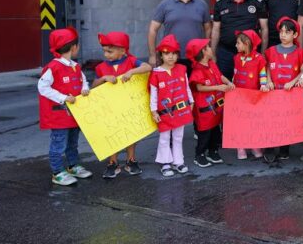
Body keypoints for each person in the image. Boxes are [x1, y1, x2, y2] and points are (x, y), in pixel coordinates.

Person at [38, 27, 93, 186]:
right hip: (60, 116)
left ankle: (72, 166)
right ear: (73, 47)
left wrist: (85, 89)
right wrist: (63, 98)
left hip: (75, 115)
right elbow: (42, 88)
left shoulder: (75, 66)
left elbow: (84, 81)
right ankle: (57, 172)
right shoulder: (53, 67)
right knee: (58, 144)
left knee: (72, 143)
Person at [93, 31, 152, 179]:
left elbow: (148, 67)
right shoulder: (101, 67)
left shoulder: (131, 61)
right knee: (112, 134)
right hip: (110, 108)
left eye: (110, 51)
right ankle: (112, 162)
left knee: (130, 134)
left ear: (122, 50)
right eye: (104, 51)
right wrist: (103, 79)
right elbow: (93, 85)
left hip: (128, 108)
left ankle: (130, 160)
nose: (106, 55)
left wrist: (132, 71)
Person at [148, 0, 211, 71]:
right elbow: (153, 29)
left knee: (196, 87)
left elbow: (208, 29)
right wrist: (152, 55)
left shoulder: (202, 5)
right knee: (173, 87)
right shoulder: (165, 4)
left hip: (196, 58)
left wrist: (206, 51)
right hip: (170, 57)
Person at [149, 34, 194, 177]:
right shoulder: (155, 73)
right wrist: (154, 111)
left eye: (174, 53)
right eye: (167, 53)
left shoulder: (182, 69)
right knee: (164, 137)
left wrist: (191, 101)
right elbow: (153, 94)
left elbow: (186, 86)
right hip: (164, 113)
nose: (171, 57)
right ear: (161, 55)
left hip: (180, 110)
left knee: (178, 136)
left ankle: (178, 162)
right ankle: (165, 163)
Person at [211, 0, 268, 80]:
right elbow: (215, 30)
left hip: (250, 54)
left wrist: (263, 53)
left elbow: (264, 29)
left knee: (248, 86)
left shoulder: (257, 1)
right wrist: (213, 53)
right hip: (226, 53)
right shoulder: (220, 2)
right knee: (224, 85)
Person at [186, 38, 234, 169]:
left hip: (215, 106)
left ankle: (213, 152)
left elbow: (220, 75)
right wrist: (218, 87)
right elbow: (199, 88)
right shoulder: (197, 70)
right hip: (204, 108)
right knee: (205, 133)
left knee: (215, 131)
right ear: (203, 51)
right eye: (208, 47)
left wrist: (228, 82)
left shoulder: (212, 64)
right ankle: (199, 154)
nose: (211, 49)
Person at [264, 17, 303, 160]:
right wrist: (269, 81)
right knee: (271, 120)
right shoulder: (270, 51)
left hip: (290, 93)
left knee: (286, 121)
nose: (283, 35)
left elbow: (302, 71)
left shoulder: (300, 52)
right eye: (281, 32)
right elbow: (267, 67)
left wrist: (293, 82)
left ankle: (284, 148)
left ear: (295, 35)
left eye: (287, 32)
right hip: (274, 93)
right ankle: (269, 148)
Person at [232, 29, 268, 160]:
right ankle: (240, 147)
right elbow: (234, 74)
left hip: (253, 96)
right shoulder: (236, 57)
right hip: (239, 95)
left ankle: (254, 145)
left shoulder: (259, 58)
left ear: (246, 43)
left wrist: (263, 85)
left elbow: (262, 73)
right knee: (240, 121)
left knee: (253, 121)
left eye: (238, 43)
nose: (236, 45)